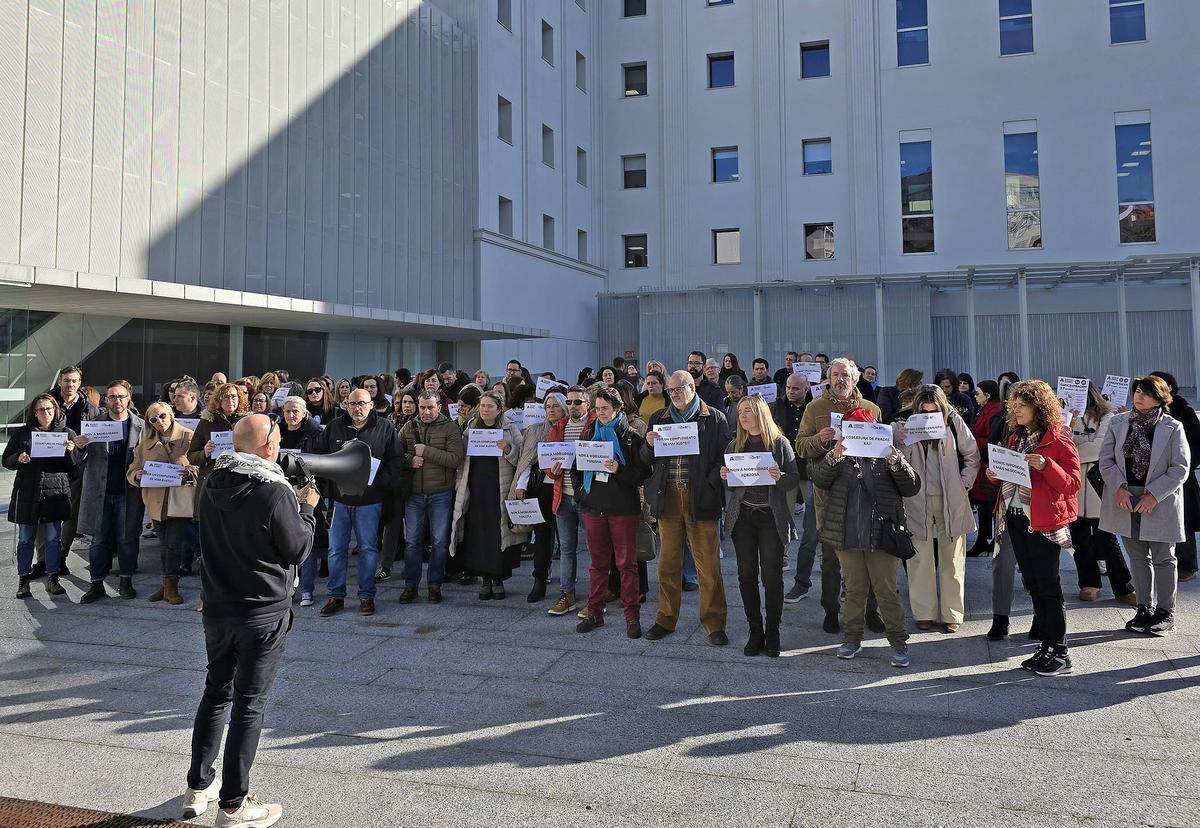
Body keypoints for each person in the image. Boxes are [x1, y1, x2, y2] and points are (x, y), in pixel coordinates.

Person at [182, 414, 318, 826]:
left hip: (218, 609)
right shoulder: (274, 492)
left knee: (215, 694)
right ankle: (233, 804)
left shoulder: (213, 481)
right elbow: (298, 550)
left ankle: (198, 788)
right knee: (248, 706)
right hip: (262, 614)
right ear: (270, 447)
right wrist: (307, 509)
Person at [809, 406, 920, 667]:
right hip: (847, 535)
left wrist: (897, 461)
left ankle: (898, 642)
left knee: (886, 592)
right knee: (854, 590)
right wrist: (834, 456)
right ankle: (852, 639)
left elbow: (912, 486)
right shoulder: (839, 455)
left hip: (882, 537)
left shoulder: (886, 455)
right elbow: (820, 481)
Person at [985, 380, 1081, 676]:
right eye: (1014, 405)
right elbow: (1011, 478)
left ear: (1039, 408)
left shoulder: (1059, 438)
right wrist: (994, 475)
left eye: (1022, 405)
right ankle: (1046, 646)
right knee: (1033, 584)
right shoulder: (1015, 438)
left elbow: (1073, 484)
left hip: (1042, 521)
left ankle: (1060, 652)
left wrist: (1046, 466)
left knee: (1048, 585)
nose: (1016, 411)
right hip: (1014, 517)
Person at [640, 370, 731, 645]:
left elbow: (724, 455)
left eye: (679, 389)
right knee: (667, 565)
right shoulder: (659, 418)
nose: (674, 395)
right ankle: (665, 619)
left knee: (708, 565)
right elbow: (646, 461)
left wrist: (710, 484)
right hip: (668, 499)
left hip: (700, 499)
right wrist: (647, 445)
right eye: (671, 391)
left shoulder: (713, 417)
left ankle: (714, 623)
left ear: (692, 388)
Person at [796, 358, 884, 634]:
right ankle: (831, 610)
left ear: (855, 379)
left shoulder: (872, 409)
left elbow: (882, 449)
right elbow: (800, 447)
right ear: (828, 378)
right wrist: (820, 440)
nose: (839, 379)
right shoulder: (815, 408)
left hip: (863, 494)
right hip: (829, 494)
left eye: (845, 375)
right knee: (831, 558)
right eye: (835, 375)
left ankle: (870, 611)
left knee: (867, 554)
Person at [1099, 375, 1190, 637]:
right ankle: (1143, 608)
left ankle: (1165, 612)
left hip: (1159, 498)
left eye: (1147, 393)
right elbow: (1106, 461)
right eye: (1138, 391)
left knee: (1163, 557)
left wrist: (1153, 495)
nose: (1140, 397)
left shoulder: (1173, 426)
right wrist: (1118, 488)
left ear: (1160, 398)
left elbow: (1180, 468)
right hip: (1125, 497)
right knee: (1138, 556)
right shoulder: (1118, 422)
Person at [893, 385, 980, 633]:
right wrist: (902, 442)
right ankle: (924, 612)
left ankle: (952, 613)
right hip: (916, 499)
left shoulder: (954, 422)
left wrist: (964, 483)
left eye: (934, 410)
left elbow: (972, 454)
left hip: (950, 499)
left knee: (952, 557)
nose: (929, 413)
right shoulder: (902, 425)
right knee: (919, 558)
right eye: (924, 410)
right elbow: (898, 462)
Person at [311, 389, 402, 618]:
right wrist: (326, 486)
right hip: (338, 500)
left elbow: (397, 460)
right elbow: (320, 457)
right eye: (352, 404)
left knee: (369, 549)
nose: (356, 408)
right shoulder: (334, 427)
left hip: (370, 501)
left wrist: (379, 481)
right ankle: (336, 595)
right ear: (345, 405)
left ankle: (366, 596)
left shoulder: (385, 427)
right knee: (336, 550)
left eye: (361, 403)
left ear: (372, 404)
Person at [721, 395, 799, 657]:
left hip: (770, 517)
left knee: (772, 576)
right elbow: (732, 485)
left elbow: (793, 481)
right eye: (740, 412)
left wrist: (781, 477)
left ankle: (773, 631)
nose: (742, 416)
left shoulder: (779, 443)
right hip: (743, 517)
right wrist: (725, 476)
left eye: (747, 412)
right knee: (746, 575)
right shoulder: (735, 444)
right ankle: (755, 631)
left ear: (760, 414)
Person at [573, 386, 651, 638]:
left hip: (622, 509)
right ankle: (595, 612)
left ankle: (632, 616)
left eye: (605, 408)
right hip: (594, 507)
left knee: (626, 565)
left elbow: (642, 475)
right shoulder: (589, 433)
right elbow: (576, 468)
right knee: (597, 565)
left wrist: (619, 469)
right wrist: (581, 494)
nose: (601, 413)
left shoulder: (631, 437)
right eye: (597, 408)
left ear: (618, 409)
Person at [5, 394, 80, 599]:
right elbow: (6, 460)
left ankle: (53, 577)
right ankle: (23, 579)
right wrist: (18, 458)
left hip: (55, 492)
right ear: (34, 412)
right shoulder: (23, 433)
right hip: (27, 491)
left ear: (56, 410)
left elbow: (75, 468)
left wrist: (72, 452)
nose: (45, 413)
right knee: (25, 540)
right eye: (40, 410)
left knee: (53, 539)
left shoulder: (67, 433)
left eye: (49, 409)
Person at [77, 381, 145, 603]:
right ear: (105, 400)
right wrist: (79, 448)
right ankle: (96, 584)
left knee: (128, 538)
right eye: (112, 397)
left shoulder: (142, 427)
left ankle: (126, 581)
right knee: (99, 540)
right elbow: (78, 462)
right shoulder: (92, 426)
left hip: (129, 492)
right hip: (100, 492)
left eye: (121, 396)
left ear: (129, 398)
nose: (117, 401)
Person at [450, 392, 523, 599]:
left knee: (496, 534)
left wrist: (508, 449)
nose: (485, 410)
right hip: (476, 489)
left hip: (499, 489)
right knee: (478, 534)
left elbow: (523, 459)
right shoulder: (471, 429)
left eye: (490, 406)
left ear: (499, 409)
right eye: (482, 406)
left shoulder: (509, 428)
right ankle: (485, 579)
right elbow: (461, 461)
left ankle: (498, 578)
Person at [1069, 382, 1135, 603]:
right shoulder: (1064, 417)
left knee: (1107, 538)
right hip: (1075, 487)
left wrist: (1075, 448)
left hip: (1100, 485)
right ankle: (1089, 583)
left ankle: (1124, 587)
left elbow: (1101, 447)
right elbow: (1061, 445)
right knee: (1079, 541)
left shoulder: (1108, 415)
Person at [397, 390, 465, 601]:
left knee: (439, 542)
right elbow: (395, 455)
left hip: (440, 494)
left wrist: (425, 451)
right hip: (414, 494)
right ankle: (411, 585)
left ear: (439, 406)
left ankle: (435, 584)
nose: (425, 411)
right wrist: (409, 460)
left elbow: (456, 459)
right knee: (412, 542)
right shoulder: (409, 426)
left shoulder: (450, 427)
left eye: (430, 407)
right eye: (422, 407)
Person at [127, 402, 197, 605]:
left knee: (173, 544)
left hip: (178, 498)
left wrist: (189, 471)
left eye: (163, 416)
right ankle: (166, 584)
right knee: (164, 544)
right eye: (153, 419)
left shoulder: (187, 436)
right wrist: (136, 475)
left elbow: (199, 464)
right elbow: (132, 468)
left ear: (171, 415)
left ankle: (171, 585)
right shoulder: (145, 441)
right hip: (155, 499)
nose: (159, 421)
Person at [35, 366, 100, 577]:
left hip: (75, 468)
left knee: (70, 515)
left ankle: (61, 556)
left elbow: (96, 439)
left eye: (74, 381)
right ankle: (43, 560)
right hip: (48, 468)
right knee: (42, 515)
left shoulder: (91, 408)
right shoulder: (45, 402)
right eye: (66, 380)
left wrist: (83, 447)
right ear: (60, 381)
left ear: (80, 383)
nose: (70, 385)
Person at [541, 385, 596, 616]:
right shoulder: (559, 427)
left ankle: (596, 597)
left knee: (596, 550)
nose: (573, 406)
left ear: (587, 404)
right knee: (566, 549)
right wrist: (552, 471)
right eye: (570, 402)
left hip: (588, 497)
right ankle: (567, 594)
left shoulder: (595, 424)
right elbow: (548, 463)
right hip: (563, 496)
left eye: (578, 402)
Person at [511, 392, 568, 603]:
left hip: (567, 489)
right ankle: (540, 580)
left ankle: (567, 585)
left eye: (555, 406)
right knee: (542, 537)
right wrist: (521, 485)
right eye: (547, 406)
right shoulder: (535, 431)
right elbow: (526, 461)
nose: (551, 410)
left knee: (567, 540)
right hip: (542, 490)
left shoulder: (571, 429)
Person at [277, 398, 330, 607]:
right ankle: (288, 589)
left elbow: (322, 464)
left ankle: (306, 589)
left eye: (296, 411)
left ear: (305, 413)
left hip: (307, 491)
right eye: (288, 411)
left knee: (306, 541)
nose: (291, 415)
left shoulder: (316, 434)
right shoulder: (276, 432)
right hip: (281, 490)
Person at [1150, 371, 1200, 581]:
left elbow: (1197, 443)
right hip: (1155, 476)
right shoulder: (1149, 411)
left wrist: (1185, 466)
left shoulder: (1183, 410)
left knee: (1183, 520)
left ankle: (1187, 565)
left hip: (1181, 476)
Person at [967, 380, 1004, 557]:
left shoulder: (993, 411)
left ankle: (986, 540)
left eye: (978, 393)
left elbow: (992, 438)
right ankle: (984, 540)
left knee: (986, 504)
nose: (975, 396)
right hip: (981, 463)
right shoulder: (985, 409)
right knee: (983, 505)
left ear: (988, 395)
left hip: (986, 464)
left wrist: (973, 443)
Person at [189, 383, 250, 488]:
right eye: (225, 397)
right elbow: (191, 456)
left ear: (239, 399)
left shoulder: (248, 422)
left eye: (234, 396)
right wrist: (205, 453)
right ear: (218, 400)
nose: (230, 400)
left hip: (240, 479)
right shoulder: (206, 422)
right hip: (212, 480)